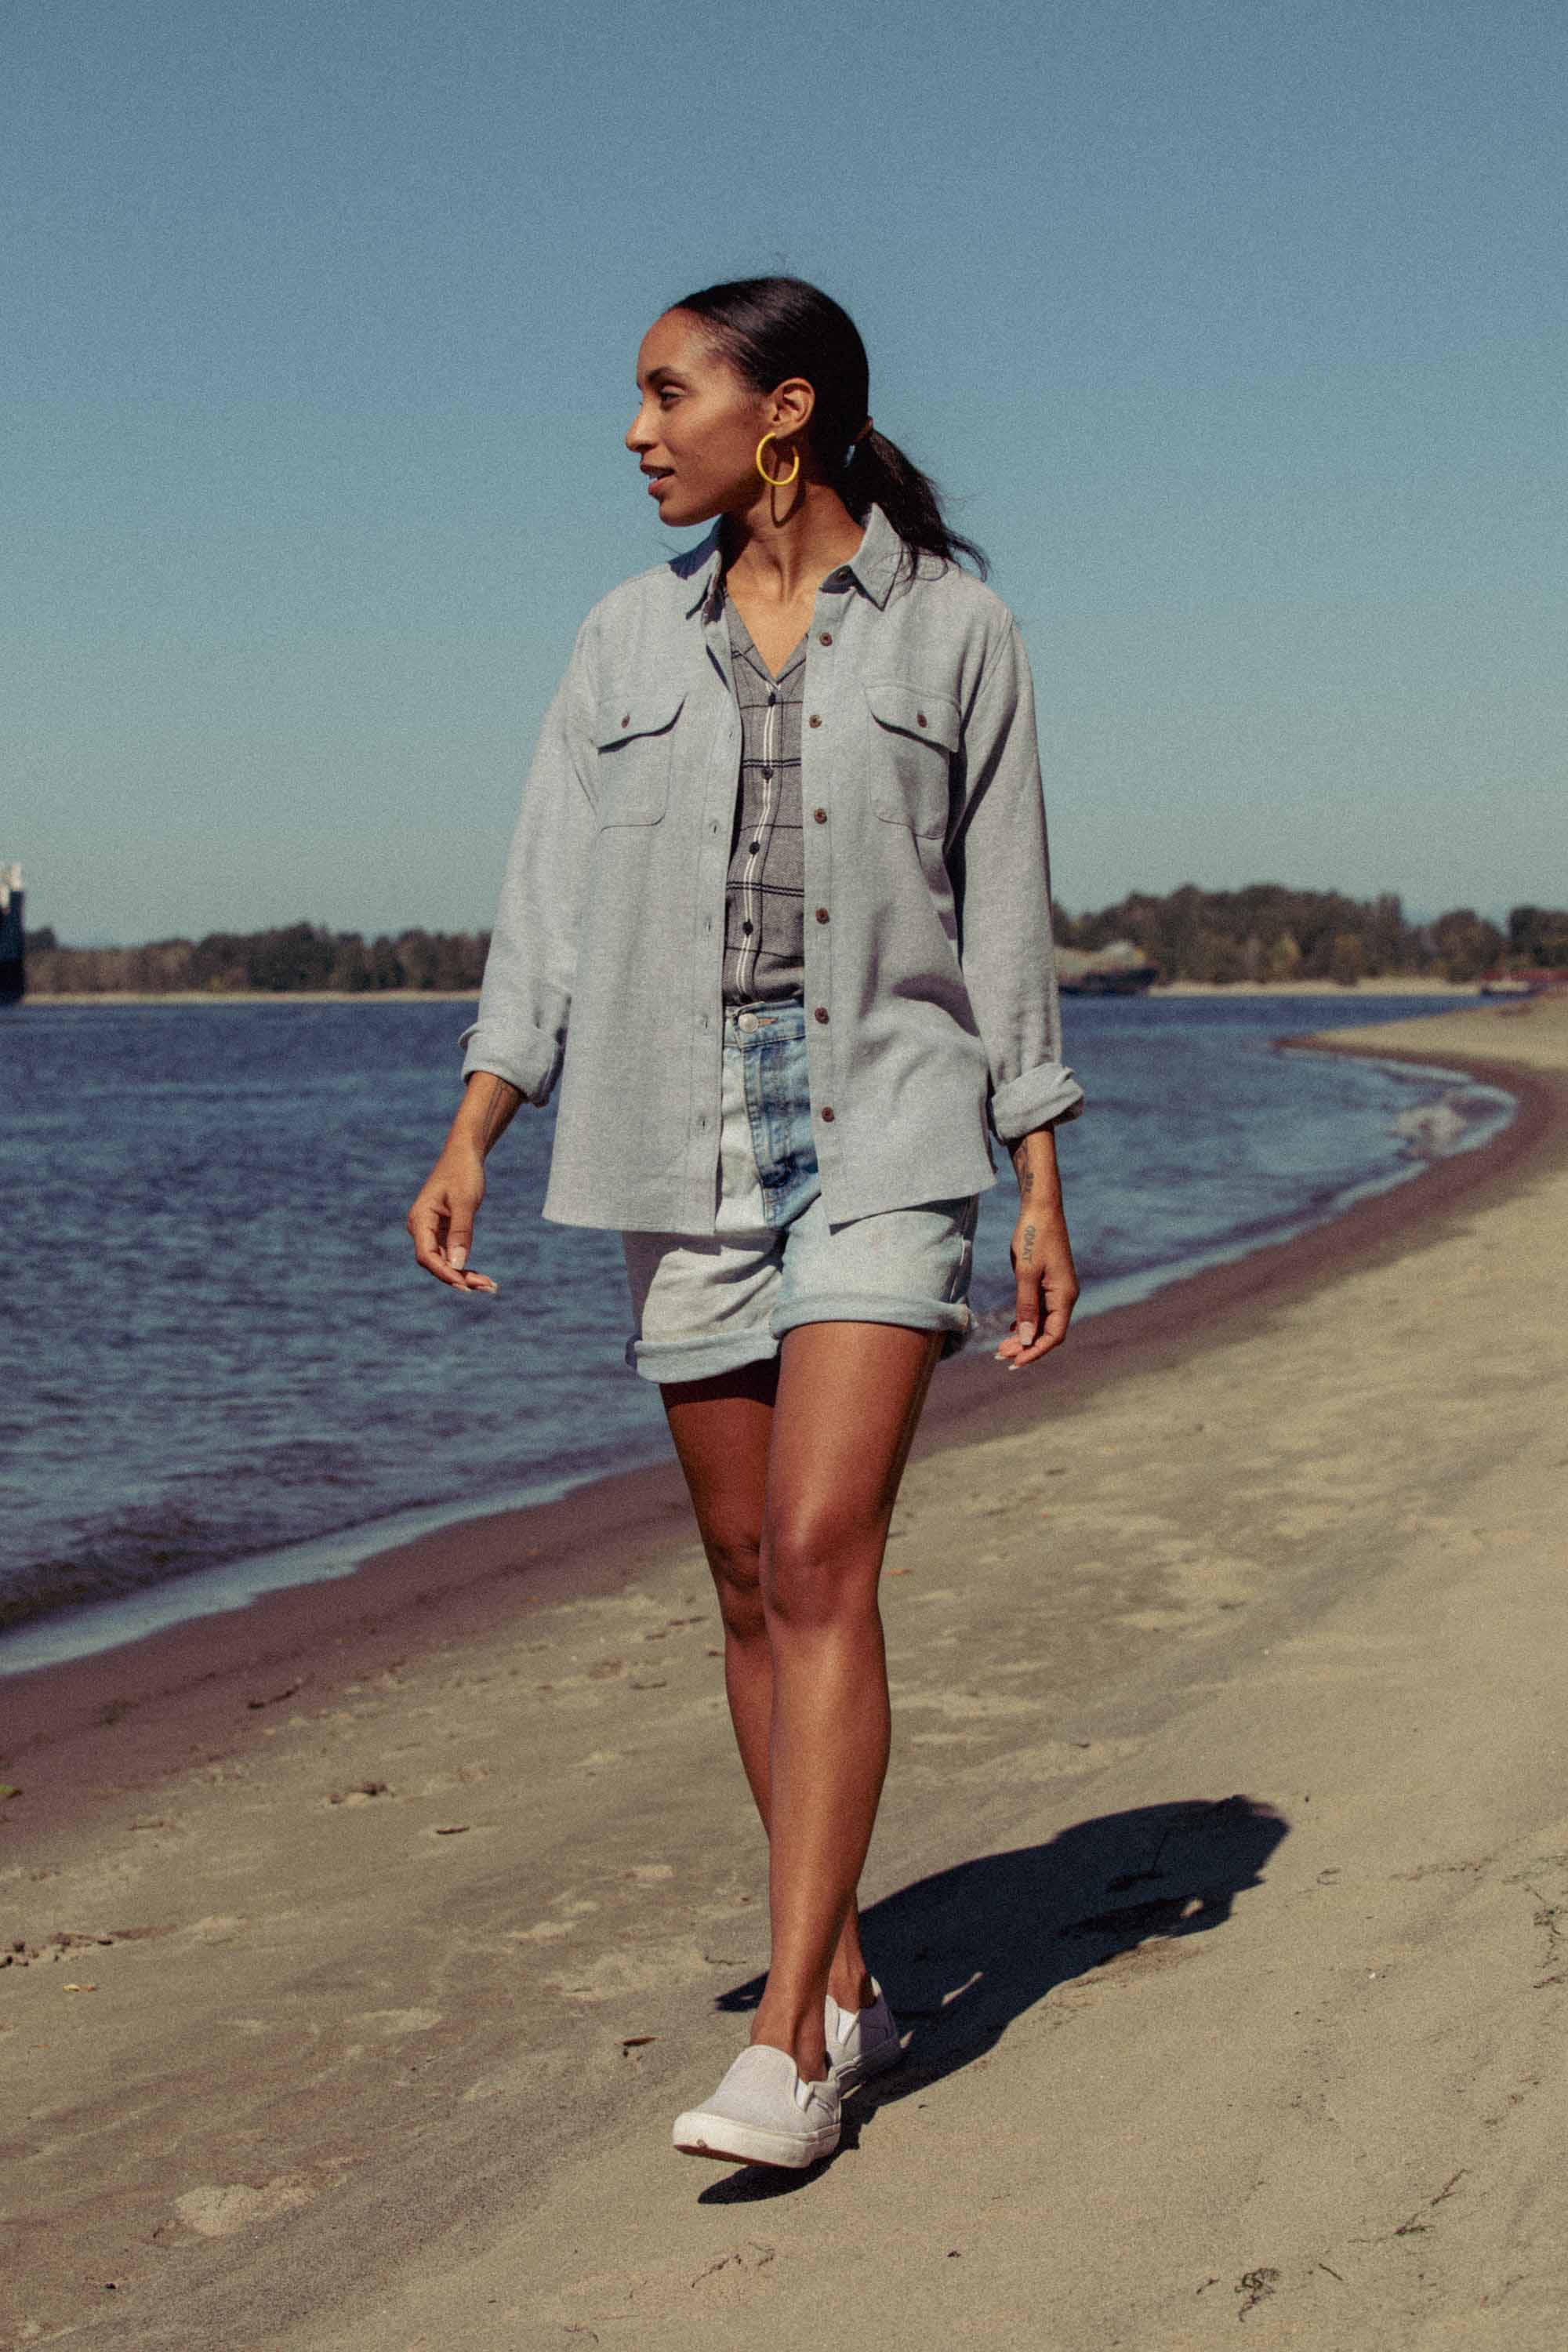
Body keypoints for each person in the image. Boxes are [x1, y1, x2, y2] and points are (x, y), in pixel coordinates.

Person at [407, 275, 1084, 2172]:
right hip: (670, 1135)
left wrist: (1034, 1170)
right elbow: (541, 913)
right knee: (735, 1582)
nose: (634, 432)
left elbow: (1007, 916)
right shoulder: (623, 640)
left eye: (663, 395)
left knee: (815, 1556)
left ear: (778, 414)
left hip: (886, 1123)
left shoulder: (956, 630)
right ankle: (846, 1966)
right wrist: (475, 1124)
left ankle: (791, 2045)